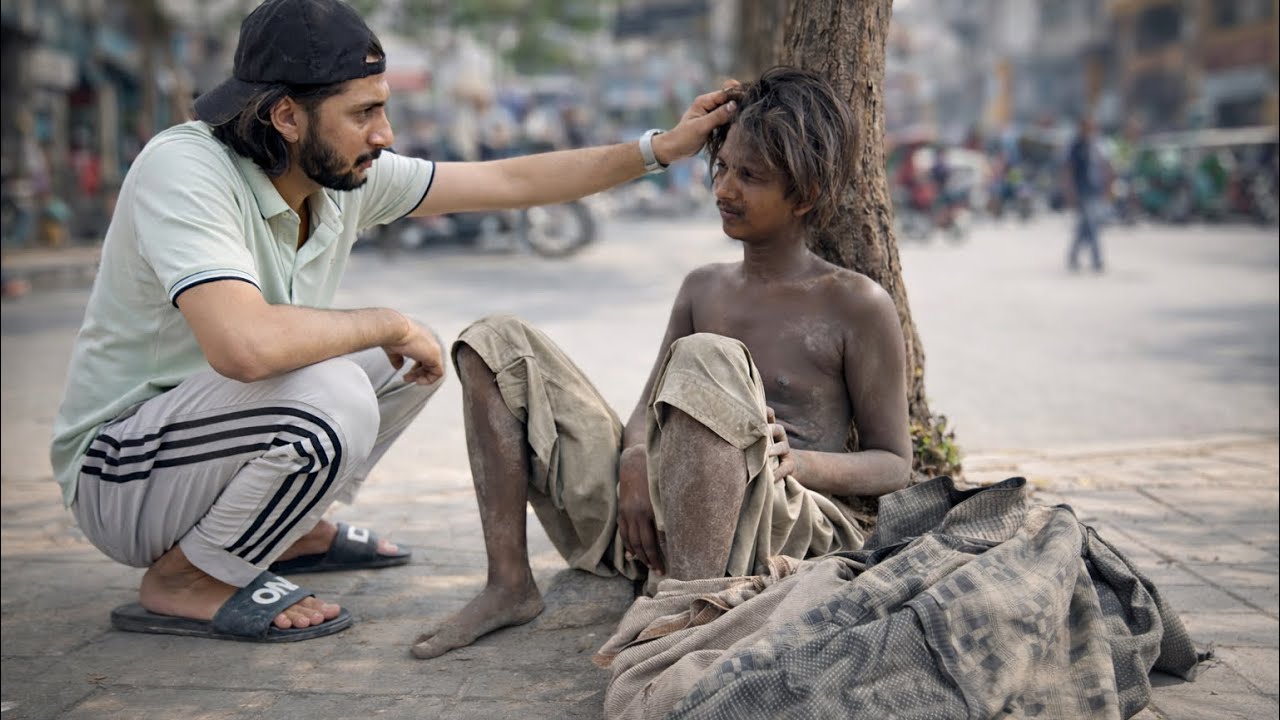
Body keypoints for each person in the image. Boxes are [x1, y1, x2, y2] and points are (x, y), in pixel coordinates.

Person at [50, 0, 736, 644]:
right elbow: (243, 347)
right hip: (121, 474)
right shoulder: (187, 168)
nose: (385, 134)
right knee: (339, 389)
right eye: (365, 113)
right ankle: (186, 577)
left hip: (202, 443)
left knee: (404, 365)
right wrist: (383, 319)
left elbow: (509, 183)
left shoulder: (340, 175)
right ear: (287, 117)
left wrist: (660, 150)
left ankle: (283, 531)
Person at [414, 66, 912, 660]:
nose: (724, 190)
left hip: (767, 523)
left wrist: (798, 461)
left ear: (803, 195)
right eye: (722, 167)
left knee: (706, 356)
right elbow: (647, 410)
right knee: (496, 343)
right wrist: (633, 461)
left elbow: (893, 464)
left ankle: (687, 610)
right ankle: (509, 584)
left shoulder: (855, 304)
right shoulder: (704, 287)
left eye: (749, 176)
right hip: (654, 519)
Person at [1065, 116, 1110, 272]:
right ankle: (1097, 259)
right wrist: (1070, 192)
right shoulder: (1076, 146)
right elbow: (1069, 170)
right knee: (1092, 225)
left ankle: (1073, 256)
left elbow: (1106, 166)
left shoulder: (1099, 144)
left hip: (1095, 189)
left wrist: (1107, 187)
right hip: (1082, 190)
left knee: (1084, 227)